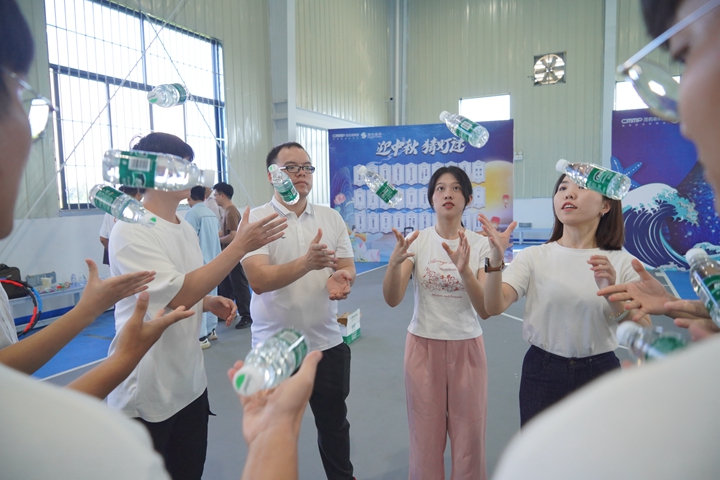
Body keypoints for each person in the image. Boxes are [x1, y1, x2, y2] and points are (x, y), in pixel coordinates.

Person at [108, 133, 287, 480]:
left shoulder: (184, 228)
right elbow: (175, 295)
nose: (189, 172)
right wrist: (239, 246)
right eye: (179, 164)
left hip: (189, 384)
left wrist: (208, 301)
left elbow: (181, 287)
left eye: (189, 164)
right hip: (147, 391)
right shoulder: (131, 230)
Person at [480, 173, 649, 427]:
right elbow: (494, 306)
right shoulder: (534, 257)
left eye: (581, 187)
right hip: (542, 372)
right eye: (562, 188)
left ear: (605, 205)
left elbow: (644, 330)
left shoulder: (623, 263)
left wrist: (612, 295)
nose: (568, 193)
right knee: (541, 450)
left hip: (600, 373)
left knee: (598, 450)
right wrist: (494, 262)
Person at [242, 141, 356, 480]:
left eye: (306, 167)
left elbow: (345, 265)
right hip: (273, 348)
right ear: (272, 175)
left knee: (335, 427)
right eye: (291, 167)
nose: (301, 174)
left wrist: (341, 279)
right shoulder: (257, 220)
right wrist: (306, 263)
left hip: (326, 344)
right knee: (272, 431)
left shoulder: (330, 217)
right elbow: (258, 280)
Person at [382, 166, 492, 480]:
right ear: (431, 198)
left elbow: (485, 308)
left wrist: (465, 271)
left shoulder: (481, 245)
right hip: (422, 346)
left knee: (470, 437)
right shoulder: (417, 242)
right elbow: (392, 298)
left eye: (456, 188)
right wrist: (394, 264)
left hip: (467, 347)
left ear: (468, 198)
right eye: (440, 188)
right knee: (424, 437)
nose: (447, 194)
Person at [184, 185, 222, 348]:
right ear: (204, 197)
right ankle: (212, 330)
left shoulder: (192, 214)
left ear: (189, 198)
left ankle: (201, 338)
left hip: (200, 262)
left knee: (200, 299)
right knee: (212, 296)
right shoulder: (211, 213)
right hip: (215, 260)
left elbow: (188, 239)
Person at [213, 181, 253, 329]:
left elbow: (233, 235)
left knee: (239, 284)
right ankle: (230, 311)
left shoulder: (231, 212)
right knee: (227, 285)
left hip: (235, 255)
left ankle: (247, 315)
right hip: (228, 254)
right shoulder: (226, 211)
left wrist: (216, 240)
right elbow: (225, 232)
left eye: (216, 195)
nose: (215, 198)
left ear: (223, 195)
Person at [99, 186, 143, 266]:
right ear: (139, 194)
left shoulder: (109, 211)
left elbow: (103, 238)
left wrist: (113, 253)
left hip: (116, 259)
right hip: (135, 259)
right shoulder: (140, 213)